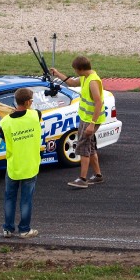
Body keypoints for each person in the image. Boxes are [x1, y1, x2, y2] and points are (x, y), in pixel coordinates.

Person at [50, 57, 105, 189]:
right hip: (86, 118)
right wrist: (57, 74)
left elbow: (98, 102)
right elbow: (72, 83)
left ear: (80, 69)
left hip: (90, 120)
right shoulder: (86, 77)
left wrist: (92, 124)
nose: (75, 72)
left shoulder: (92, 81)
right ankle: (98, 176)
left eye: (75, 70)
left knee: (83, 147)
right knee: (90, 147)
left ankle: (82, 179)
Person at [0, 87, 42, 239]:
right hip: (30, 164)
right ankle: (24, 229)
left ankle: (8, 229)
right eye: (31, 100)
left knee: (10, 198)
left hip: (14, 165)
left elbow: (4, 138)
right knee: (26, 200)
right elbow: (33, 113)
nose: (32, 102)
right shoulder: (35, 115)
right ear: (27, 102)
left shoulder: (5, 122)